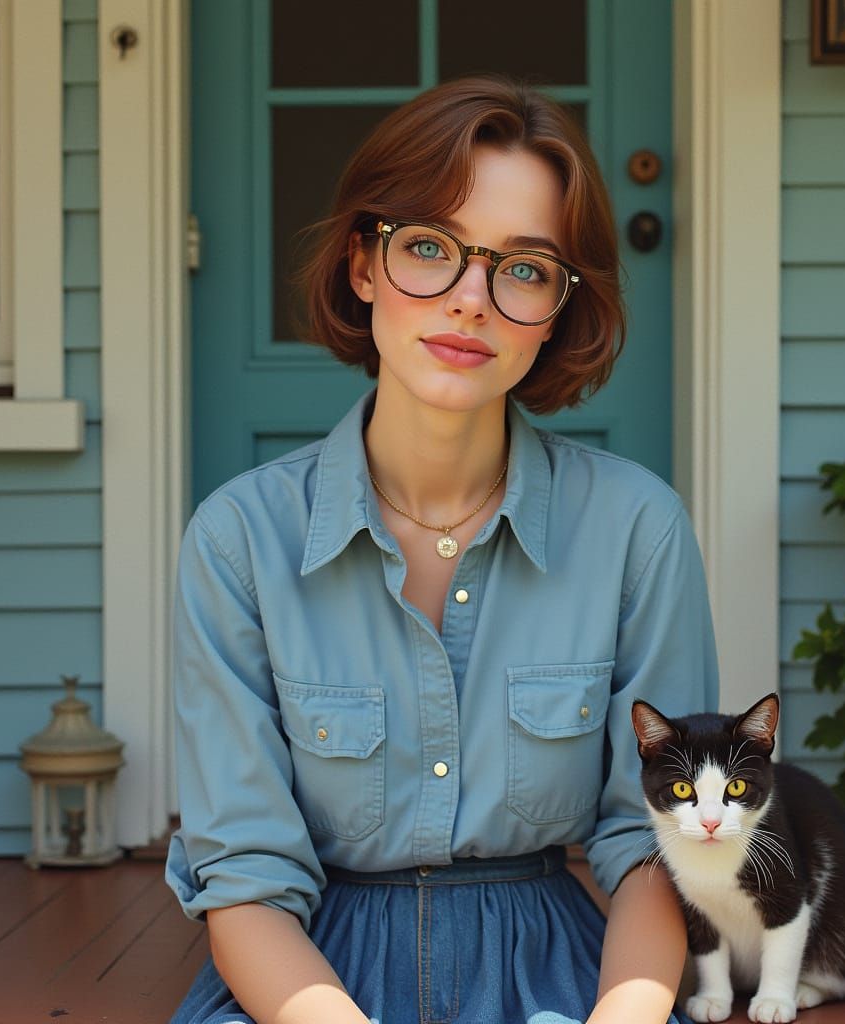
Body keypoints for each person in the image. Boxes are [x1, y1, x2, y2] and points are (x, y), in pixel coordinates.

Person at [165, 75, 718, 1024]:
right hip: (303, 981)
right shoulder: (239, 539)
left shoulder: (637, 529)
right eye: (429, 247)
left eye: (525, 268)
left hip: (561, 974)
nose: (472, 300)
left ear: (558, 310)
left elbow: (657, 848)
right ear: (362, 265)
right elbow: (245, 879)